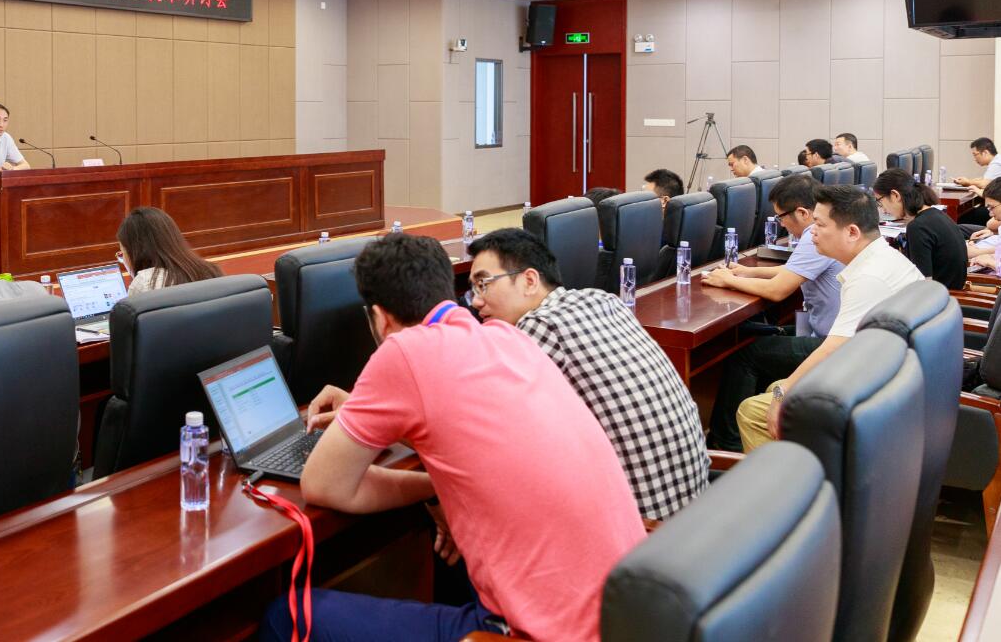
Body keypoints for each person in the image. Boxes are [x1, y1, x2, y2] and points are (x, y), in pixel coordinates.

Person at [261, 234, 643, 641]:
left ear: (380, 318)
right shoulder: (508, 337)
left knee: (287, 615)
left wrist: (432, 486)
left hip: (544, 632)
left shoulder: (404, 351)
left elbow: (323, 485)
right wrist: (444, 486)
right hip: (629, 616)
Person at [467, 229, 709, 519]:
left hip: (644, 527)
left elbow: (484, 420)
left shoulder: (541, 326)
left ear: (529, 281)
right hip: (696, 510)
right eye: (473, 289)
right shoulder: (603, 300)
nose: (475, 301)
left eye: (483, 284)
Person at [736, 185, 922, 451]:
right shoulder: (883, 257)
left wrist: (782, 394)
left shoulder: (868, 278)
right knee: (776, 386)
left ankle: (793, 478)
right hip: (890, 375)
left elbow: (833, 349)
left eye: (820, 225)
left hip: (878, 393)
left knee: (752, 411)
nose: (812, 233)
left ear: (852, 232)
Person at [701, 174, 844, 450]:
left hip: (830, 343)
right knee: (763, 335)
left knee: (746, 355)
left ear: (802, 213)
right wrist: (746, 272)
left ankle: (726, 444)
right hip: (825, 330)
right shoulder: (823, 230)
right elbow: (792, 270)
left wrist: (728, 280)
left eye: (781, 217)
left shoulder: (814, 236)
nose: (781, 224)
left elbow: (778, 291)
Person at [873, 168, 969, 289]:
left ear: (895, 195)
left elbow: (923, 285)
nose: (883, 209)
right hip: (948, 292)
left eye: (880, 201)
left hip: (940, 296)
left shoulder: (917, 227)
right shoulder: (936, 214)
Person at [115, 207, 222, 294]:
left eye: (122, 254)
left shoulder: (144, 282)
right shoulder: (211, 271)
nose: (123, 260)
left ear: (136, 253)